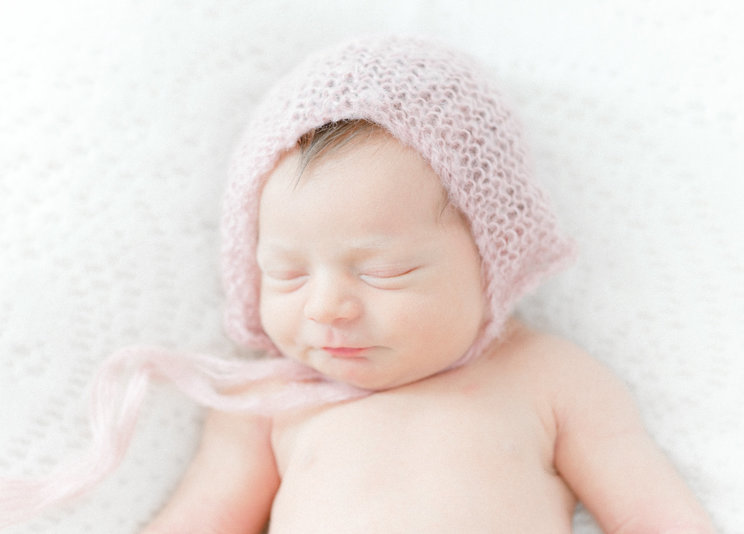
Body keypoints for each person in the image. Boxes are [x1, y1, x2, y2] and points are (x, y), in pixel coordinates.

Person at [139, 36, 715, 533]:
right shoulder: (262, 404)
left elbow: (652, 516)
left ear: (494, 253)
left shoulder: (550, 378)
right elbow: (202, 521)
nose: (326, 307)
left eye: (383, 272)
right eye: (286, 274)